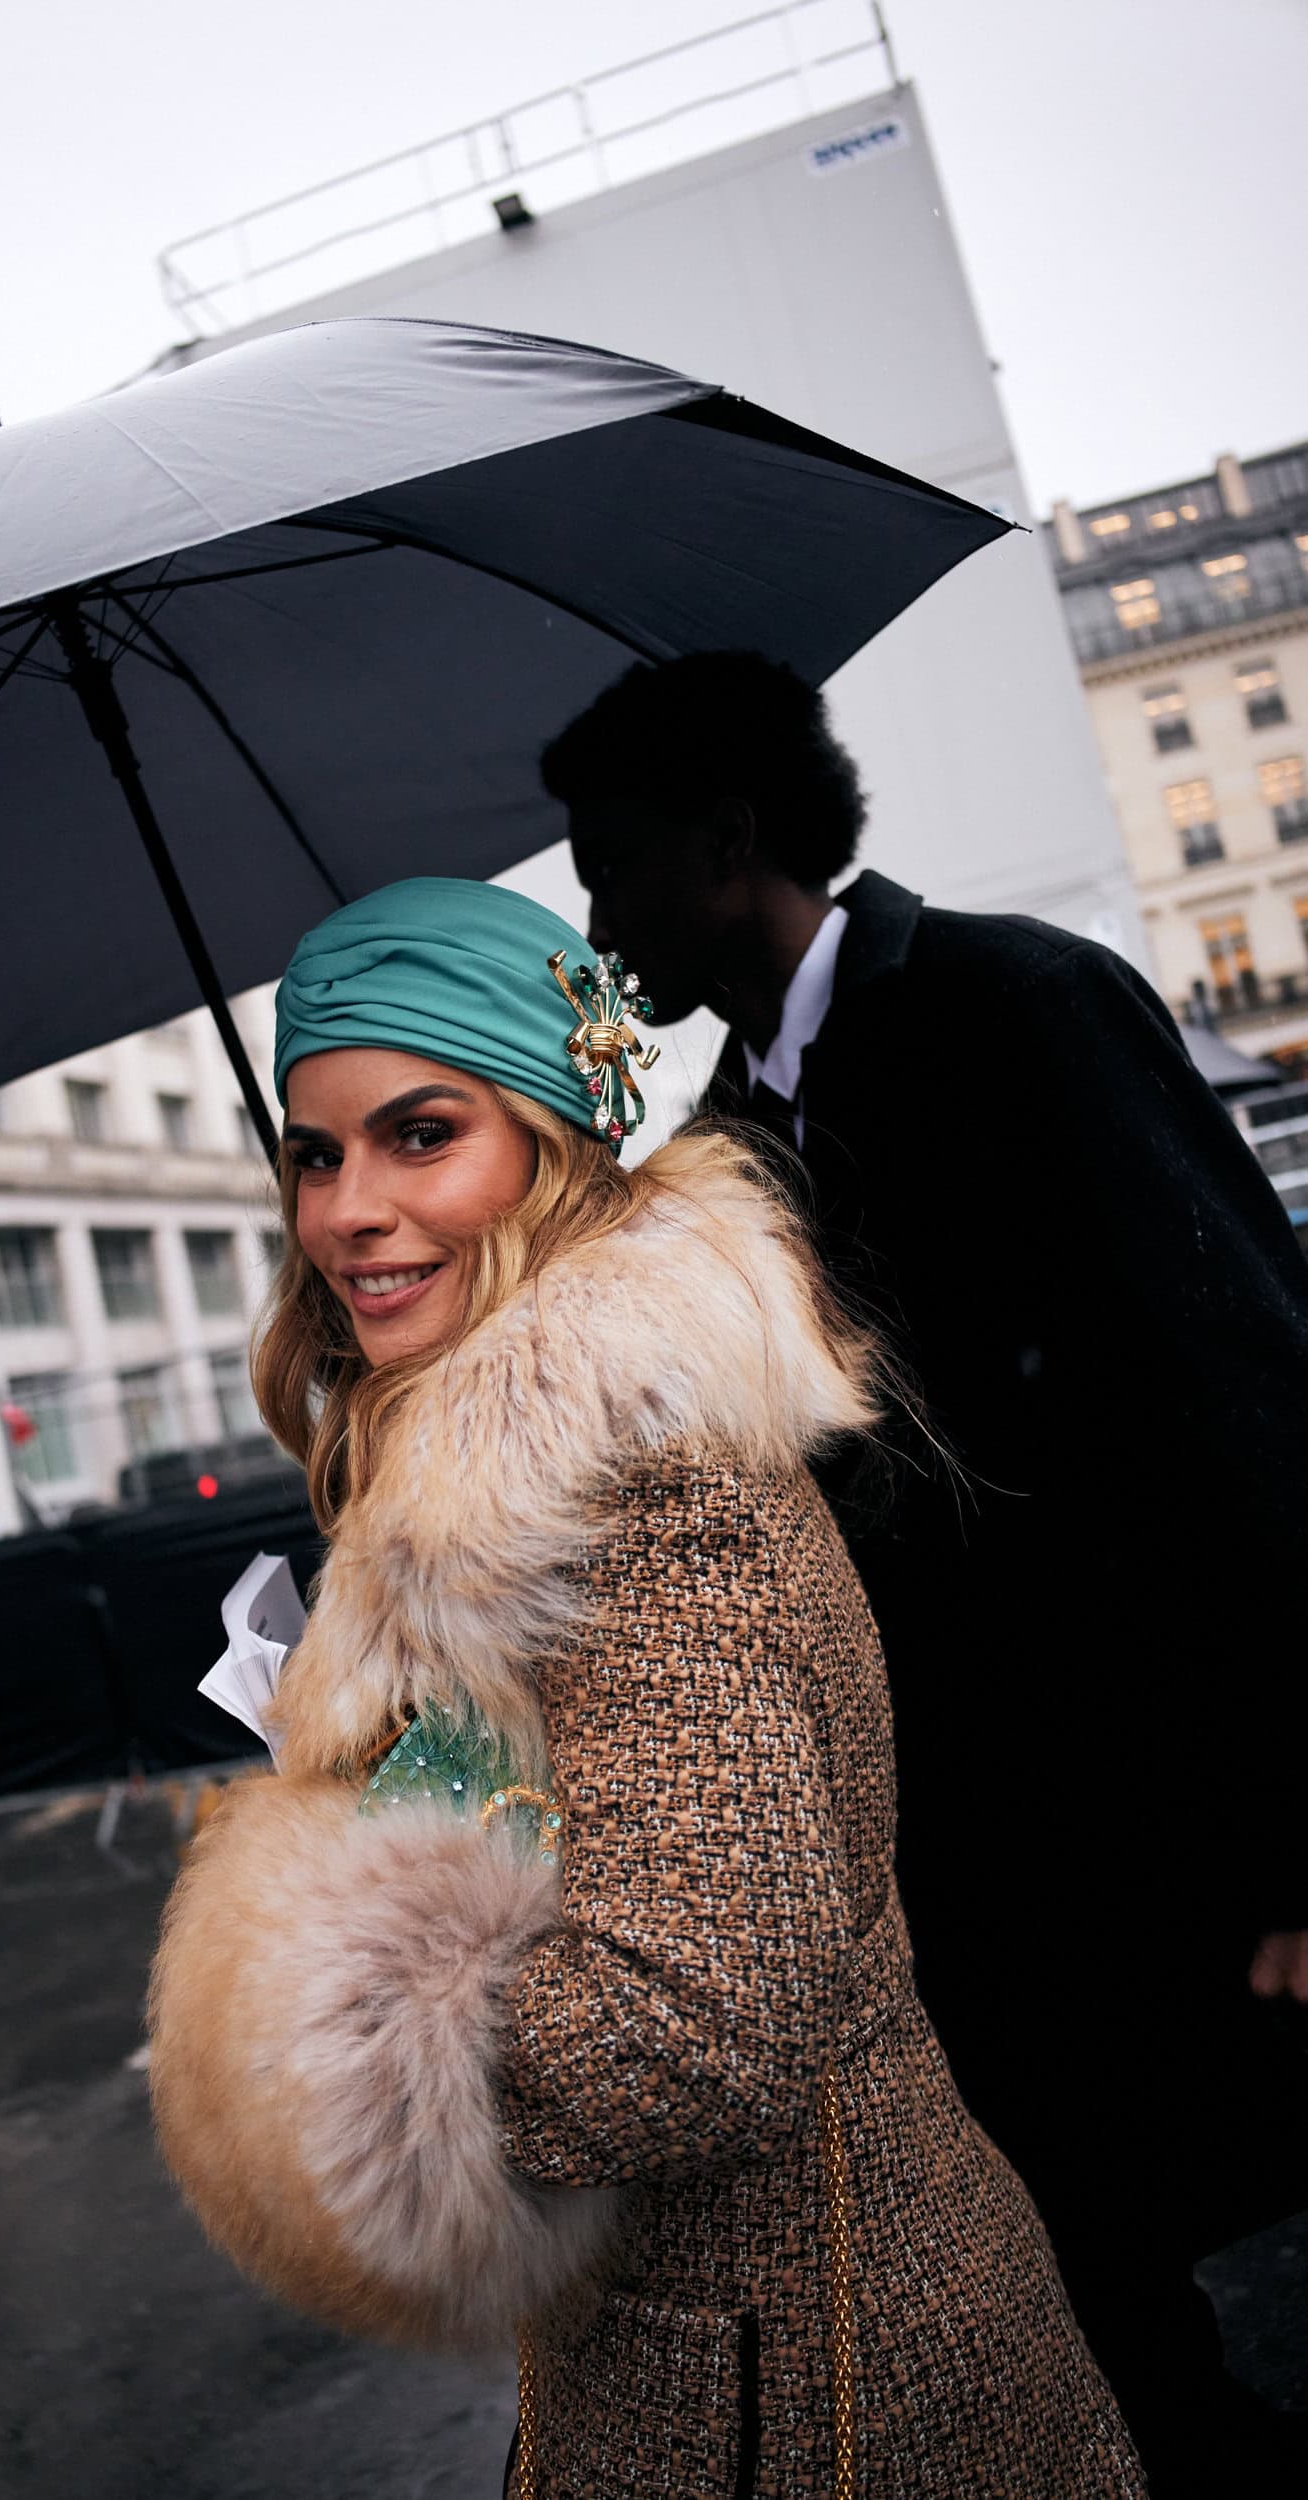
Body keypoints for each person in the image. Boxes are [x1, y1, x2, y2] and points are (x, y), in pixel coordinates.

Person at [148, 876, 1143, 2499]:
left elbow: (692, 2021)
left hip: (821, 2378)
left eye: (419, 1134)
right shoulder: (513, 1487)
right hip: (713, 2349)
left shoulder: (635, 1493)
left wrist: (332, 2037)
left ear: (551, 1139)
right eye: (313, 1154)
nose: (344, 1211)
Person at [540, 653, 1308, 2495]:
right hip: (977, 1858)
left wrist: (1299, 1837)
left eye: (610, 859)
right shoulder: (723, 1145)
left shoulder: (1021, 1004)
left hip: (1181, 1815)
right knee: (1103, 2291)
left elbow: (1256, 1408)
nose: (593, 911)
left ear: (727, 846)